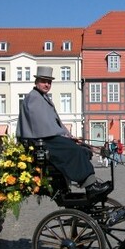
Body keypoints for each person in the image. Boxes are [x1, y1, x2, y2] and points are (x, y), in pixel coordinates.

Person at [16, 66, 110, 198]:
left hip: (47, 138)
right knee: (75, 150)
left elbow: (55, 122)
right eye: (44, 81)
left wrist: (69, 135)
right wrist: (64, 136)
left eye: (49, 82)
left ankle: (90, 183)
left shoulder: (43, 97)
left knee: (83, 148)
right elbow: (42, 125)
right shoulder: (34, 98)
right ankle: (90, 186)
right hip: (41, 141)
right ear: (36, 81)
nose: (47, 84)